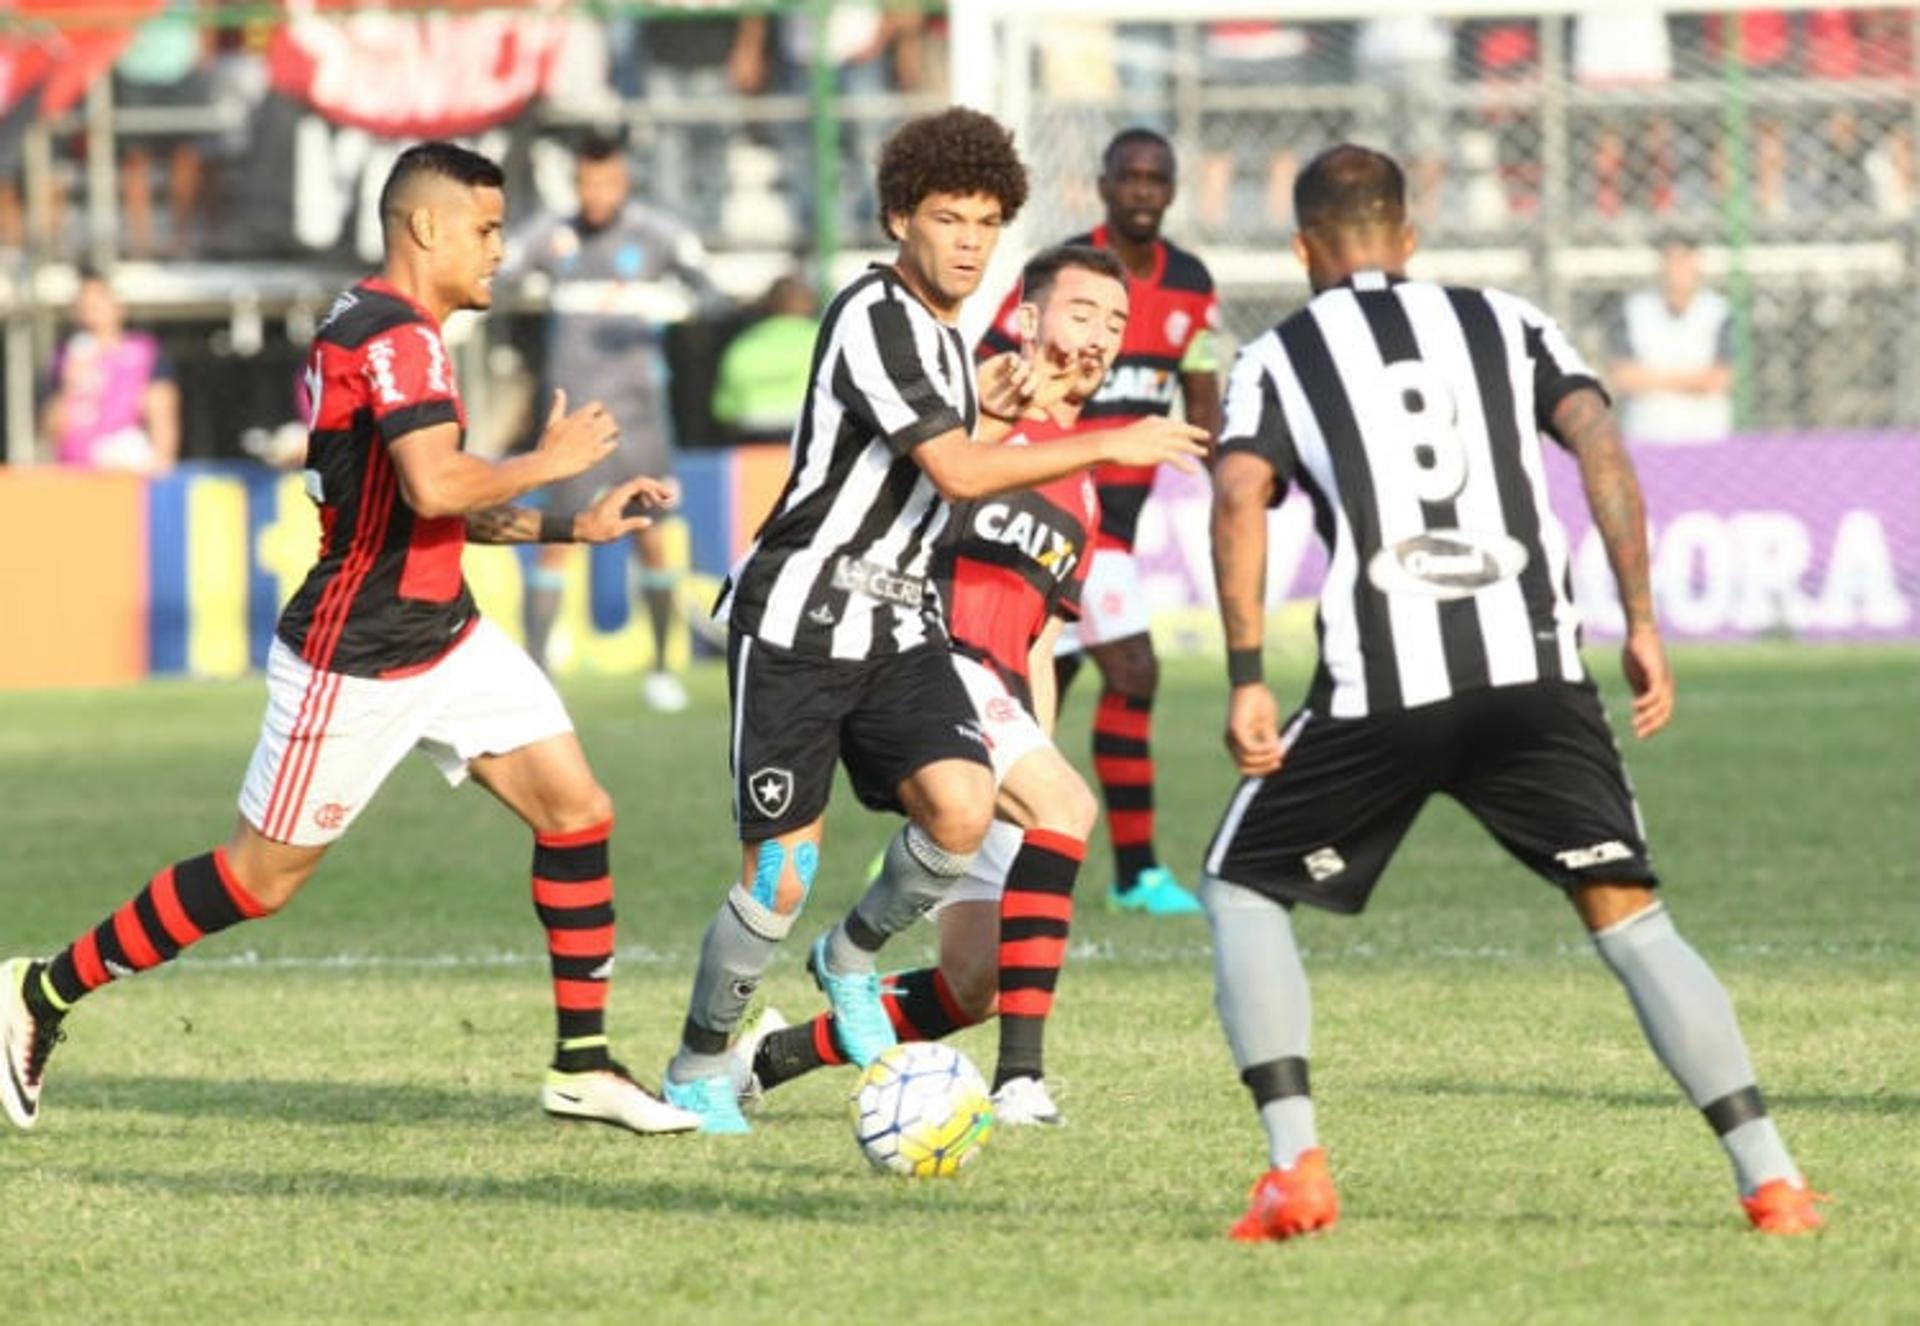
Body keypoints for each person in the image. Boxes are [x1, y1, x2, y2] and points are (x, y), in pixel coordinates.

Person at [2, 142, 699, 1139]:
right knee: (257, 880)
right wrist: (547, 463)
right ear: (424, 227)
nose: (501, 250)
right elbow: (436, 487)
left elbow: (434, 499)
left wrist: (568, 527)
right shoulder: (396, 338)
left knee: (577, 810)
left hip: (444, 633)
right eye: (487, 229)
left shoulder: (381, 327)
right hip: (357, 654)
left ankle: (583, 1065)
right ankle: (40, 990)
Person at [1202, 144, 1825, 1240]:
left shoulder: (1278, 352)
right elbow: (1600, 444)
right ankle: (1771, 1179)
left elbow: (1240, 494)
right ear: (1410, 234)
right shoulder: (1507, 319)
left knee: (1241, 887)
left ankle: (1295, 1166)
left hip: (1381, 684)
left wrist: (1249, 675)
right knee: (1630, 916)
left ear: (1305, 249)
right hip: (1537, 673)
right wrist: (1638, 620)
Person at [658, 107, 1206, 1134]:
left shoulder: (950, 341)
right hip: (800, 624)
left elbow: (955, 463)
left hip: (901, 628)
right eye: (948, 217)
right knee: (779, 875)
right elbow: (955, 469)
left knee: (960, 811)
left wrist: (1000, 408)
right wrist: (1104, 442)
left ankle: (850, 957)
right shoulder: (875, 313)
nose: (969, 240)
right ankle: (697, 1064)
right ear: (898, 218)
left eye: (989, 221)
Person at [742, 244, 1129, 1126]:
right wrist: (992, 412)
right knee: (1070, 809)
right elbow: (896, 501)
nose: (1099, 336)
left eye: (1114, 323)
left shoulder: (1084, 486)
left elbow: (1042, 640)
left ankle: (770, 1057)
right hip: (924, 664)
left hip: (996, 707)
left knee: (972, 985)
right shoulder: (972, 411)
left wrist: (1038, 747)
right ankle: (1022, 1081)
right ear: (1028, 318)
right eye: (1081, 313)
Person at [980, 126, 1222, 917]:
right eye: (1131, 177)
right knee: (1135, 672)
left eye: (1159, 178)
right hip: (1058, 501)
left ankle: (961, 819)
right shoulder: (1066, 274)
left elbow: (1201, 383)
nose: (1144, 191)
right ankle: (1137, 871)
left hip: (1119, 514)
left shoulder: (1191, 283)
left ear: (1173, 188)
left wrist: (1232, 467)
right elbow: (993, 365)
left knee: (1047, 675)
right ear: (1105, 185)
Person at [505, 132, 718, 709]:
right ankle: (538, 674)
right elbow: (498, 269)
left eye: (606, 182)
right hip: (572, 419)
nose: (595, 194)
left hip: (639, 418)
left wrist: (677, 306)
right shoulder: (554, 234)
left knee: (650, 541)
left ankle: (659, 668)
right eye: (585, 183)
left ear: (624, 184)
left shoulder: (657, 235)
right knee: (556, 540)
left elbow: (711, 291)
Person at [41, 266, 181, 473]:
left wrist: (161, 462)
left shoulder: (144, 352)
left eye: (97, 302)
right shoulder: (66, 355)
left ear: (117, 305)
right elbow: (50, 428)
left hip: (123, 470)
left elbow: (161, 409)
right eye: (84, 304)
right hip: (75, 472)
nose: (90, 309)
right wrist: (69, 385)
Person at [1608, 237, 1734, 444]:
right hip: (1646, 435)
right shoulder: (1633, 310)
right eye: (1671, 260)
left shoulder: (1719, 311)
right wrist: (1692, 379)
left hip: (1706, 436)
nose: (1677, 270)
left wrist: (1652, 380)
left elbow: (1718, 380)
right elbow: (1624, 377)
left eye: (1684, 260)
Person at [710, 273, 818, 446]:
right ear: (809, 304)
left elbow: (724, 411)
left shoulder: (743, 345)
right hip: (811, 439)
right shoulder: (825, 338)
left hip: (753, 443)